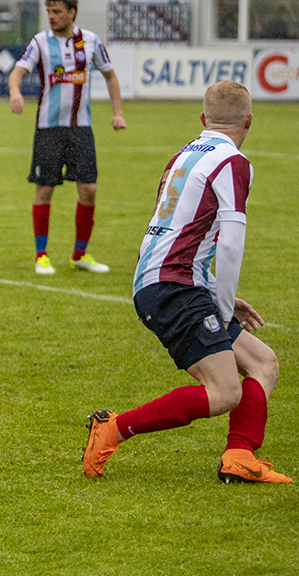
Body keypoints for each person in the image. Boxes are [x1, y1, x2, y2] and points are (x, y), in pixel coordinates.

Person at [83, 81, 289, 484]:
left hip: (168, 280)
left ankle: (239, 455)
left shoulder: (182, 156)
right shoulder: (233, 162)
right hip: (174, 287)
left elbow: (177, 232)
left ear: (202, 119)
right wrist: (223, 306)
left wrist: (213, 291)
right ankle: (112, 427)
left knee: (262, 362)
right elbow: (229, 244)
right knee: (224, 391)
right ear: (250, 120)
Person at [8, 0, 125, 276]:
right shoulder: (40, 42)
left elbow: (110, 75)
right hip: (48, 129)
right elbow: (17, 72)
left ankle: (80, 254)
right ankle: (41, 255)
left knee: (89, 189)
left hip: (81, 128)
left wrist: (117, 112)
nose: (51, 17)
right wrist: (15, 92)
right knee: (45, 189)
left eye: (57, 12)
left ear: (71, 13)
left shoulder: (91, 41)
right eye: (49, 12)